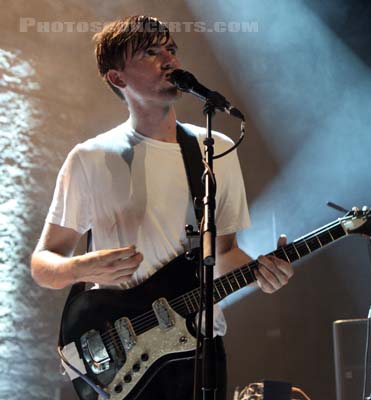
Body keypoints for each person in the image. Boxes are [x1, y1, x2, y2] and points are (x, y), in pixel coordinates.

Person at [29, 15, 293, 400]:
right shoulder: (89, 158)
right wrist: (80, 267)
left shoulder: (215, 149)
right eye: (151, 53)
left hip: (201, 348)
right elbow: (43, 263)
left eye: (170, 48)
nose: (168, 59)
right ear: (117, 78)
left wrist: (264, 271)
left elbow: (223, 253)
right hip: (126, 355)